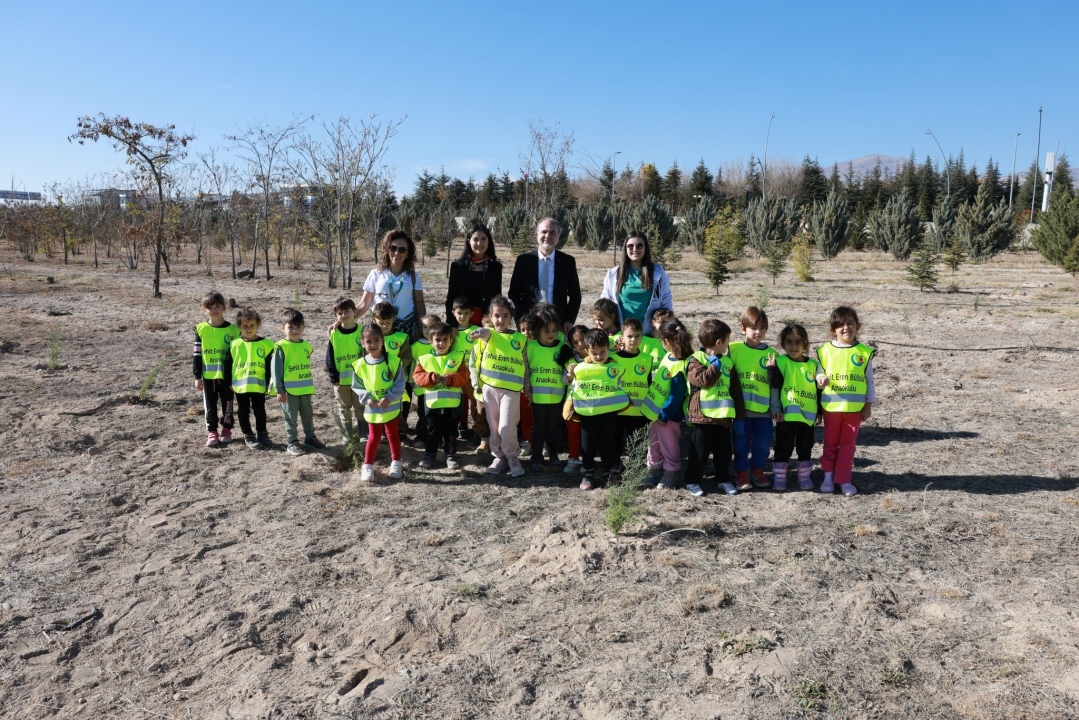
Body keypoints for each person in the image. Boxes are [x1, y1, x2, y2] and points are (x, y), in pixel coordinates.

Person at [816, 307, 876, 496]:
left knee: (848, 445)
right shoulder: (824, 351)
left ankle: (844, 480)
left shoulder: (864, 352)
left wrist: (868, 405)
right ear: (833, 329)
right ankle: (827, 477)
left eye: (850, 323)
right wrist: (820, 379)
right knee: (830, 443)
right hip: (831, 408)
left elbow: (869, 381)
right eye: (840, 325)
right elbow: (818, 373)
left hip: (854, 410)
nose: (846, 328)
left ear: (857, 326)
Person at [468, 295, 528, 478]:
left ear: (511, 318)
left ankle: (512, 457)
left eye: (505, 316)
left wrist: (527, 386)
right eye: (496, 316)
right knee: (494, 427)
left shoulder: (520, 339)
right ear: (490, 317)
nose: (500, 320)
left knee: (507, 426)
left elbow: (525, 364)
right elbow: (485, 333)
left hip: (511, 392)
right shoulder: (489, 334)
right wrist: (479, 333)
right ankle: (499, 457)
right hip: (490, 390)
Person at [685, 319, 743, 497]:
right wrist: (714, 367)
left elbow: (735, 390)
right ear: (719, 342)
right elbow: (703, 380)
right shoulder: (695, 360)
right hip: (702, 418)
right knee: (699, 453)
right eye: (727, 340)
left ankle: (723, 479)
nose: (728, 344)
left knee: (724, 453)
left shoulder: (728, 363)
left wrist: (739, 416)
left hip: (723, 418)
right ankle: (692, 481)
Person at [567, 328, 631, 490]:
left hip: (609, 414)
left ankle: (607, 474)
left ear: (608, 349)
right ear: (587, 351)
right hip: (588, 415)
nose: (599, 356)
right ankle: (587, 475)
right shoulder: (581, 368)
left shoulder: (615, 366)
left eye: (603, 352)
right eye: (594, 353)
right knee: (587, 446)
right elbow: (575, 388)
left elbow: (619, 386)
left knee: (607, 445)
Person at [767, 323, 822, 492]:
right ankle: (780, 476)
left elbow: (819, 390)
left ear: (805, 343)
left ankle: (804, 476)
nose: (793, 346)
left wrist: (819, 411)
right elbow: (774, 387)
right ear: (783, 344)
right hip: (786, 416)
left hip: (807, 417)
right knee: (783, 446)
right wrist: (776, 408)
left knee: (806, 446)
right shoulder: (781, 362)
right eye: (789, 342)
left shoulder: (813, 365)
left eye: (798, 342)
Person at [729, 306, 779, 491]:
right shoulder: (732, 349)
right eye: (753, 328)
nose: (758, 332)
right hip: (740, 412)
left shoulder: (772, 354)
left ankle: (757, 469)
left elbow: (775, 385)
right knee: (740, 444)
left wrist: (775, 407)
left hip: (763, 413)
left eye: (763, 328)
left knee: (762, 445)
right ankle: (741, 472)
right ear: (743, 328)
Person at [641, 318, 692, 489]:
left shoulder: (680, 364)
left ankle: (671, 471)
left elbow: (676, 395)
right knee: (654, 441)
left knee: (669, 444)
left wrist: (665, 414)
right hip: (656, 413)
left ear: (667, 341)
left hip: (668, 416)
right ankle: (655, 468)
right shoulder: (668, 357)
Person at [352, 322, 406, 482]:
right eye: (369, 341)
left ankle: (396, 462)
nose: (373, 344)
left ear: (382, 341)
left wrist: (389, 397)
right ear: (362, 343)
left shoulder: (394, 362)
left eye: (376, 340)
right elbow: (357, 385)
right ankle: (367, 465)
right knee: (373, 437)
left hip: (391, 407)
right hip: (373, 408)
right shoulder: (360, 365)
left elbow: (400, 383)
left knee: (392, 434)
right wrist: (366, 398)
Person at [507, 218, 582, 333]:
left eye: (553, 232)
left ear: (558, 235)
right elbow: (514, 294)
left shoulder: (567, 262)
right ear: (537, 234)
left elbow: (575, 295)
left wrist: (569, 320)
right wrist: (521, 320)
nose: (548, 235)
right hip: (529, 324)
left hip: (557, 325)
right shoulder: (524, 261)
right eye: (544, 232)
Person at [414, 322, 469, 470]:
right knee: (432, 431)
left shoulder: (458, 357)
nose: (442, 343)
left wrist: (451, 379)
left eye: (445, 339)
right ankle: (430, 454)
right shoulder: (424, 359)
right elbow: (417, 377)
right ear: (431, 341)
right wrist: (431, 378)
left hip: (453, 404)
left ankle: (450, 455)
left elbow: (464, 376)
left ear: (451, 340)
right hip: (433, 404)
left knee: (451, 432)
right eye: (438, 340)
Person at [270, 309, 326, 456]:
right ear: (283, 328)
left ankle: (310, 438)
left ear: (304, 327)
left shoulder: (306, 346)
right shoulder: (281, 346)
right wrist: (279, 390)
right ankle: (292, 442)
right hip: (288, 391)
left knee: (308, 415)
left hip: (305, 388)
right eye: (291, 327)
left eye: (298, 327)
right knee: (291, 417)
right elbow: (276, 371)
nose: (295, 330)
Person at [357, 229, 426, 342]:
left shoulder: (414, 276)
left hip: (406, 329)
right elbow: (364, 304)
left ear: (408, 254)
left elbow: (419, 304)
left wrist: (423, 328)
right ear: (387, 250)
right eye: (393, 248)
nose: (397, 253)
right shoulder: (375, 274)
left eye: (402, 250)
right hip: (380, 330)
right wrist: (345, 320)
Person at [600, 231, 674, 335]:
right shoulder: (613, 274)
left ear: (645, 248)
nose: (635, 249)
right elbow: (604, 304)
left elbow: (666, 302)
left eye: (639, 245)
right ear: (625, 248)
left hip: (650, 335)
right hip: (623, 335)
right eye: (630, 246)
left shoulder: (658, 273)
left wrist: (666, 328)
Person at [523, 306, 567, 471]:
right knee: (539, 428)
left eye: (554, 330)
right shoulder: (530, 347)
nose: (551, 334)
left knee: (554, 428)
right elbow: (526, 368)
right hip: (537, 398)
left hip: (556, 397)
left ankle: (554, 454)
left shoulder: (562, 346)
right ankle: (536, 457)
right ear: (537, 331)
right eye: (546, 330)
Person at [224, 307, 275, 449]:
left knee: (260, 410)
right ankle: (248, 434)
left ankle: (262, 433)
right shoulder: (235, 344)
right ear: (239, 326)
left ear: (257, 325)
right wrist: (229, 383)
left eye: (252, 325)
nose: (248, 329)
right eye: (245, 326)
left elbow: (271, 366)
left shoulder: (267, 344)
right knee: (243, 410)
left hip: (259, 386)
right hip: (241, 386)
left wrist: (269, 382)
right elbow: (227, 365)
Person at [193, 291, 238, 447]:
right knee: (210, 405)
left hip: (228, 376)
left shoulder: (233, 330)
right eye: (210, 307)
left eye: (218, 306)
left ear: (224, 307)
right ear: (204, 309)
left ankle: (226, 429)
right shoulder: (201, 329)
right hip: (208, 376)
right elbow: (197, 354)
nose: (214, 310)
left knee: (228, 402)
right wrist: (197, 376)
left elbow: (238, 354)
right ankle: (212, 431)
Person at [325, 297, 366, 446]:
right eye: (340, 313)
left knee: (360, 407)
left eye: (347, 311)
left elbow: (367, 355)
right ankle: (347, 435)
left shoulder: (363, 331)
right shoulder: (334, 334)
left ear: (355, 311)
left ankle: (363, 434)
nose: (344, 315)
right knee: (344, 409)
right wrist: (332, 375)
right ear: (336, 316)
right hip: (341, 381)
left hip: (360, 381)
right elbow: (329, 356)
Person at [446, 221, 502, 328]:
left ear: (489, 241)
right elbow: (451, 297)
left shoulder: (495, 267)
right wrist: (452, 324)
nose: (479, 243)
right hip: (463, 319)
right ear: (468, 241)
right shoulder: (458, 266)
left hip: (487, 320)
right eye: (475, 239)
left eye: (483, 239)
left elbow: (497, 297)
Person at [450, 296, 489, 450]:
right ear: (453, 313)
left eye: (466, 313)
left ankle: (478, 432)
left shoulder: (476, 331)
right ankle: (457, 430)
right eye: (459, 313)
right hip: (455, 375)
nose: (462, 316)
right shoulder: (451, 331)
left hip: (472, 375)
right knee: (457, 403)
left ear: (472, 314)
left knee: (475, 404)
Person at [610, 317, 653, 454]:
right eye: (629, 336)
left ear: (642, 337)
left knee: (637, 440)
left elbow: (649, 383)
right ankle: (615, 464)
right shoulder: (613, 359)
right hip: (618, 409)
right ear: (622, 337)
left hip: (638, 410)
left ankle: (637, 467)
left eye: (637, 336)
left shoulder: (647, 359)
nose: (633, 339)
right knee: (615, 439)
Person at [559, 324, 590, 475]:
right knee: (573, 433)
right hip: (572, 403)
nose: (581, 344)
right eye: (576, 342)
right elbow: (564, 380)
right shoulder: (569, 360)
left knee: (587, 434)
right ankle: (573, 458)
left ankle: (587, 460)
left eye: (583, 339)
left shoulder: (598, 357)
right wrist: (569, 376)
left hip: (592, 403)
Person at [409, 315, 442, 447]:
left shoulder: (439, 344)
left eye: (431, 326)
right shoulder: (416, 346)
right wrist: (411, 378)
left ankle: (437, 437)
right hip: (421, 386)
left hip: (437, 386)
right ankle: (421, 437)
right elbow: (413, 364)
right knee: (422, 412)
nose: (428, 330)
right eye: (425, 327)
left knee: (436, 413)